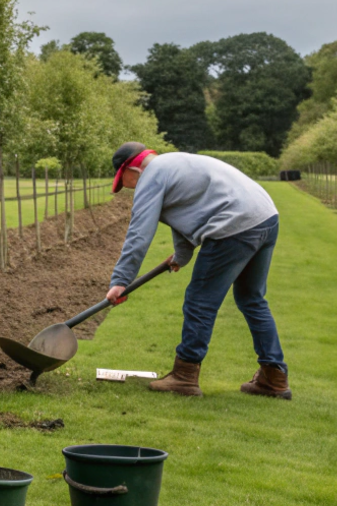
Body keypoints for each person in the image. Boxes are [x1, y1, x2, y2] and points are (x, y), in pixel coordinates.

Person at [105, 141, 290, 399]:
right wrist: (181, 255)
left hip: (233, 225)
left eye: (124, 181)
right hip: (266, 217)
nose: (127, 188)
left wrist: (120, 280)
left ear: (133, 170)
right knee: (251, 298)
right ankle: (274, 377)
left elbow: (139, 234)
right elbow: (186, 213)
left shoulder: (152, 175)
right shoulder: (175, 163)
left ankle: (184, 375)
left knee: (200, 301)